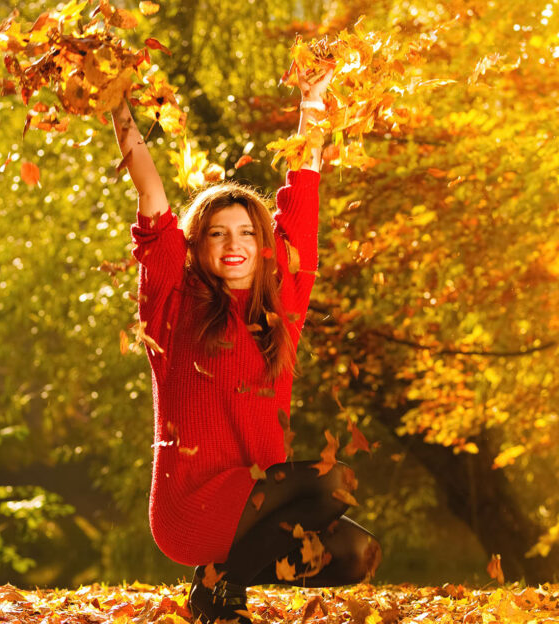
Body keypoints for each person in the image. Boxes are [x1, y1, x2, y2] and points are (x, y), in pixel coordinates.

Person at [110, 63, 380, 624]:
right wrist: (118, 110)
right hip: (193, 506)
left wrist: (312, 104)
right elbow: (152, 195)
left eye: (247, 233)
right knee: (332, 478)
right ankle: (222, 592)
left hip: (259, 506)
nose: (234, 245)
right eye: (217, 233)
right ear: (197, 244)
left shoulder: (282, 309)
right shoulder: (173, 306)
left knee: (357, 553)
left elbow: (303, 204)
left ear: (262, 245)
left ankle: (217, 587)